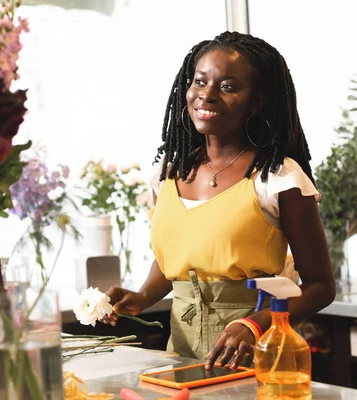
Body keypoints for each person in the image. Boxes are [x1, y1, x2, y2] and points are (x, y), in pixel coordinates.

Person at [104, 31, 336, 370]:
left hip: (257, 354)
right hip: (181, 356)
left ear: (257, 101)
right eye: (199, 82)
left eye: (227, 86)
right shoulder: (168, 173)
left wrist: (255, 324)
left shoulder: (278, 177)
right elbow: (177, 260)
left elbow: (320, 287)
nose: (206, 96)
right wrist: (141, 298)